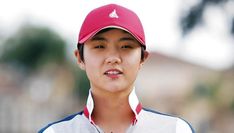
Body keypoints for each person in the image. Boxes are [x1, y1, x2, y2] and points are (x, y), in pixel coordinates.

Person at [39, 3, 194, 133]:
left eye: (126, 46)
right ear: (80, 58)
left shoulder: (176, 130)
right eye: (99, 46)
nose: (113, 58)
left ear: (143, 58)